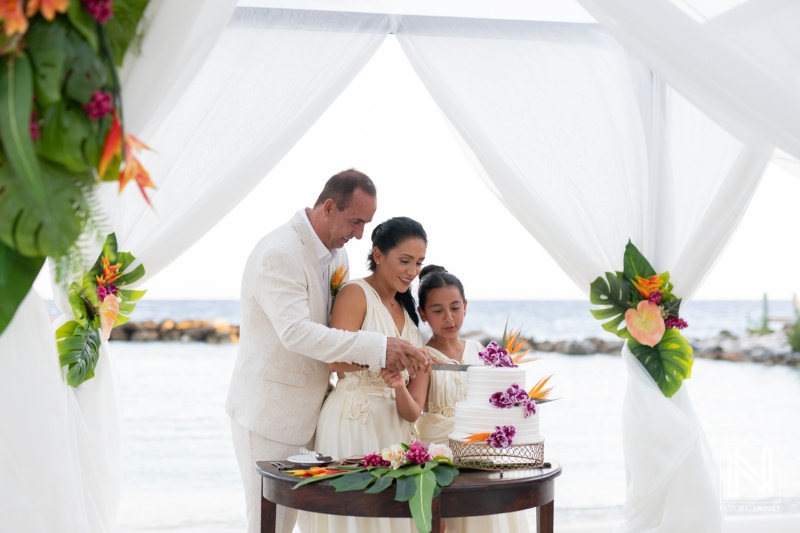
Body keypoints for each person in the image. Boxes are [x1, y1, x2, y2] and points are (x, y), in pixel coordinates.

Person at [226, 171, 431, 533]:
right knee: (269, 524)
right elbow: (296, 333)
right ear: (329, 207)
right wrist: (381, 347)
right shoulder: (280, 253)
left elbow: (337, 331)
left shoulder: (338, 258)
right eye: (355, 221)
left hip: (320, 415)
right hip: (270, 413)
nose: (360, 234)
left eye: (366, 223)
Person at [304, 216, 430, 533]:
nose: (412, 272)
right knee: (359, 518)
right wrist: (383, 360)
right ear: (377, 255)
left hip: (396, 426)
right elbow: (334, 360)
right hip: (355, 420)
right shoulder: (355, 294)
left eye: (418, 263)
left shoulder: (406, 308)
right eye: (404, 261)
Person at [415, 265, 530, 533]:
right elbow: (416, 410)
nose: (449, 318)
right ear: (422, 313)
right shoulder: (423, 356)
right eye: (437, 310)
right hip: (442, 461)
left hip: (483, 456)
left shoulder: (480, 353)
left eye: (455, 307)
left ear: (465, 306)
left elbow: (496, 404)